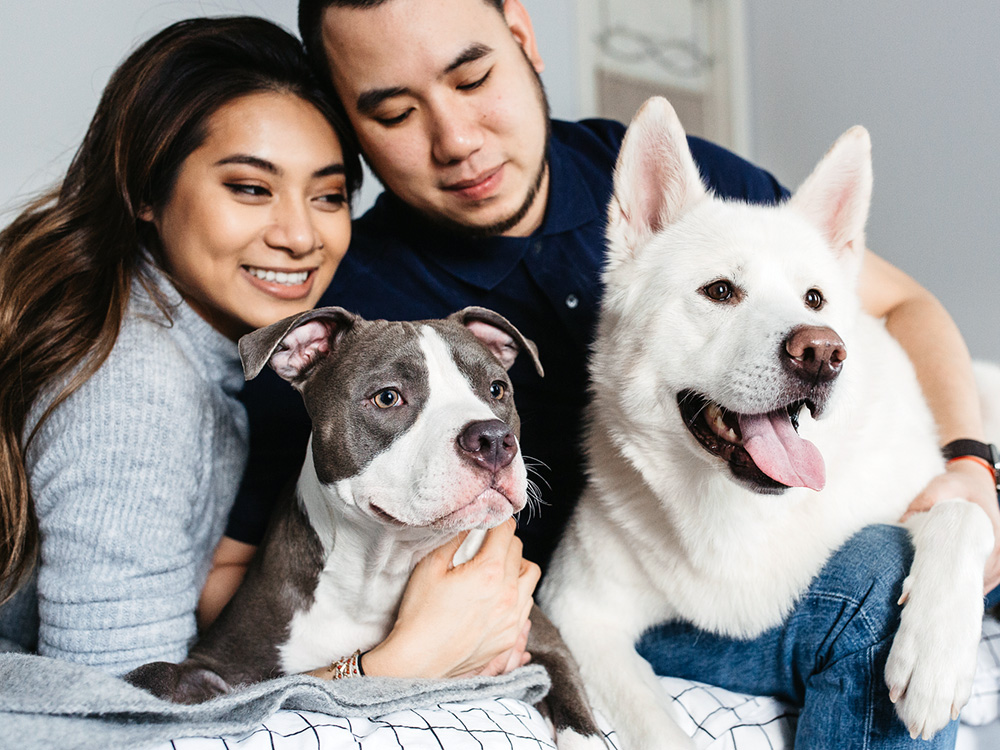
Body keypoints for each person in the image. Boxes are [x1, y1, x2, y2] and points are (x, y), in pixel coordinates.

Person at [225, 0, 999, 745]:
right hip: (617, 591)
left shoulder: (652, 180)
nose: (456, 138)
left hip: (752, 539)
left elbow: (902, 306)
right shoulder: (350, 313)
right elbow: (241, 585)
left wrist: (970, 466)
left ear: (522, 33)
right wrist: (394, 655)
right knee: (872, 587)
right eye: (393, 113)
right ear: (349, 126)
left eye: (472, 78)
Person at [0, 14, 535, 681]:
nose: (299, 235)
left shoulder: (185, 341)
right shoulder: (135, 391)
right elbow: (115, 717)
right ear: (145, 190)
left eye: (329, 195)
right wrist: (398, 663)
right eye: (250, 188)